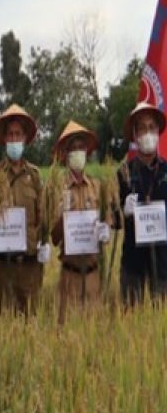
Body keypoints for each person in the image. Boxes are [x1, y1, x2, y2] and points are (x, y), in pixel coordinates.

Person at [0, 104, 49, 314]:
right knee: (1, 325)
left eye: (17, 134)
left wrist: (44, 243)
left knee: (30, 324)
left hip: (29, 266)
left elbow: (43, 216)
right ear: (4, 140)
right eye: (10, 135)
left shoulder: (35, 176)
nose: (14, 139)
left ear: (25, 138)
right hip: (3, 267)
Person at [49, 121, 113, 319]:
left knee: (93, 336)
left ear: (87, 152)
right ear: (66, 155)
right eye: (73, 149)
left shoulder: (97, 187)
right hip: (69, 277)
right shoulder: (57, 189)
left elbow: (107, 226)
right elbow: (54, 237)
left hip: (94, 276)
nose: (77, 152)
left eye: (81, 148)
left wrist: (106, 231)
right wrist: (63, 216)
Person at [117, 101, 167, 305]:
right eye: (142, 128)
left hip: (164, 264)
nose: (147, 133)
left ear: (157, 132)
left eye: (151, 128)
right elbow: (113, 219)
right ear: (135, 135)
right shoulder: (123, 173)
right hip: (133, 264)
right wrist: (123, 212)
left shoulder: (166, 170)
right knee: (132, 325)